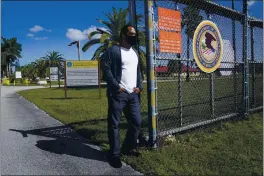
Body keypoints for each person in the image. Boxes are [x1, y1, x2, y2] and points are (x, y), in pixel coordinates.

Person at [103, 24, 143, 168]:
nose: (134, 37)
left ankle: (127, 148)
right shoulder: (113, 51)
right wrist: (116, 86)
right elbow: (106, 69)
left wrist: (140, 86)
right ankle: (114, 155)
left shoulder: (135, 52)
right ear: (123, 35)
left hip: (133, 95)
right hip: (118, 94)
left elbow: (137, 71)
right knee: (114, 125)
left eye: (135, 34)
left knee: (137, 123)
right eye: (131, 34)